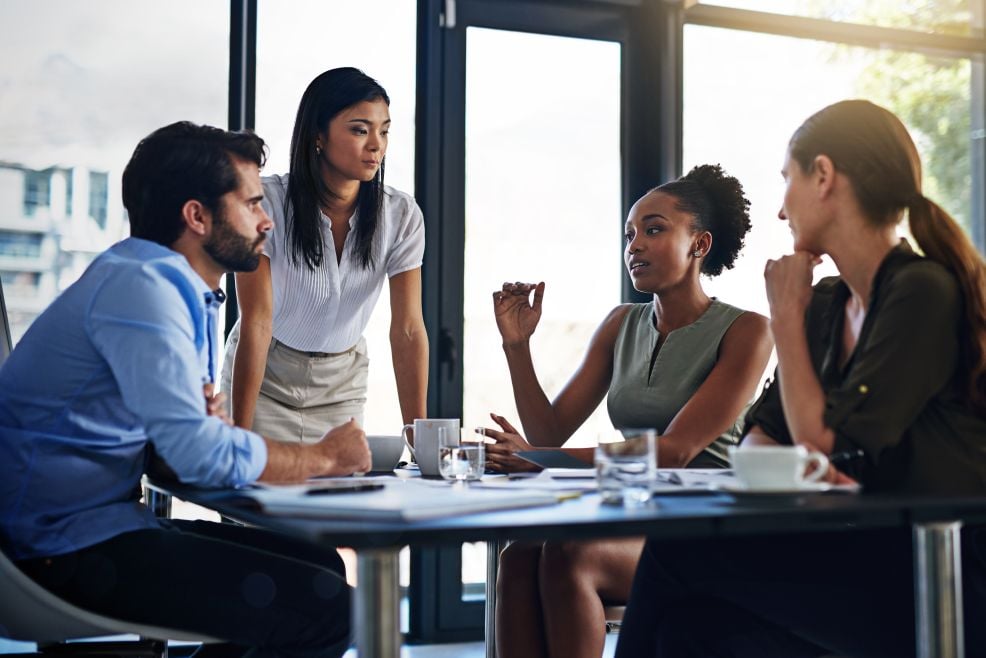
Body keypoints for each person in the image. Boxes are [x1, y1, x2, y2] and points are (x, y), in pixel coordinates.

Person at [615, 100, 986, 658]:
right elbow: (763, 434)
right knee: (691, 630)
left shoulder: (920, 291)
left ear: (823, 177)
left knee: (675, 553)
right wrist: (815, 458)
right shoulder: (829, 302)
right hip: (863, 551)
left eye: (787, 180)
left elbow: (825, 441)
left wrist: (786, 318)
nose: (783, 211)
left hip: (944, 573)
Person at [0, 121, 372, 658]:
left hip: (93, 530)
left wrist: (200, 433)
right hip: (57, 549)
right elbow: (197, 456)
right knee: (336, 611)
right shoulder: (145, 288)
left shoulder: (177, 288)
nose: (267, 222)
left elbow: (174, 456)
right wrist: (323, 457)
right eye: (250, 205)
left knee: (321, 566)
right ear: (196, 216)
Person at [486, 165, 774, 658]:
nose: (634, 245)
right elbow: (549, 432)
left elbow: (676, 452)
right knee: (517, 559)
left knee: (569, 556)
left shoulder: (748, 331)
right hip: (632, 513)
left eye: (654, 230)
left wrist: (543, 459)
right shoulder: (621, 323)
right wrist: (517, 347)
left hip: (705, 531)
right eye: (629, 234)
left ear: (699, 245)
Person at [221, 67, 428, 442]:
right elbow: (257, 322)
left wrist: (420, 438)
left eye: (384, 131)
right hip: (265, 377)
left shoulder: (401, 215)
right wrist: (240, 434)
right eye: (360, 129)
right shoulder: (265, 203)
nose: (376, 145)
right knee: (254, 495)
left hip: (341, 386)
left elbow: (408, 329)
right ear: (318, 135)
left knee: (338, 497)